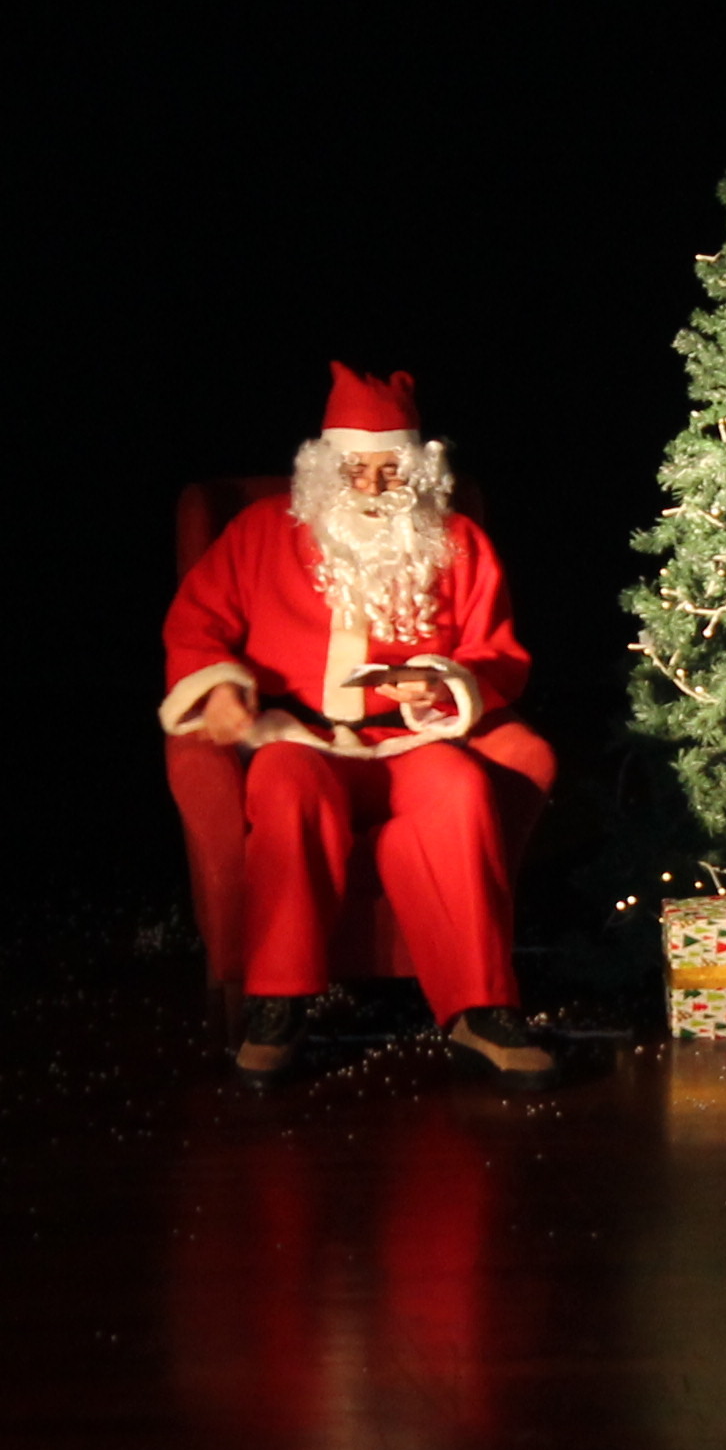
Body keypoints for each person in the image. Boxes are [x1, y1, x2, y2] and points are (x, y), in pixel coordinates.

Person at [160, 363, 558, 1089]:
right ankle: (277, 1004)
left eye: (390, 470)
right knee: (285, 786)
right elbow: (197, 625)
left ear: (418, 470)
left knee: (461, 790)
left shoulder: (458, 540)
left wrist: (440, 680)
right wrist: (217, 689)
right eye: (355, 470)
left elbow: (496, 651)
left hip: (413, 736)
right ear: (324, 469)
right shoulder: (259, 532)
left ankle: (482, 1010)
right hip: (301, 737)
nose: (373, 487)